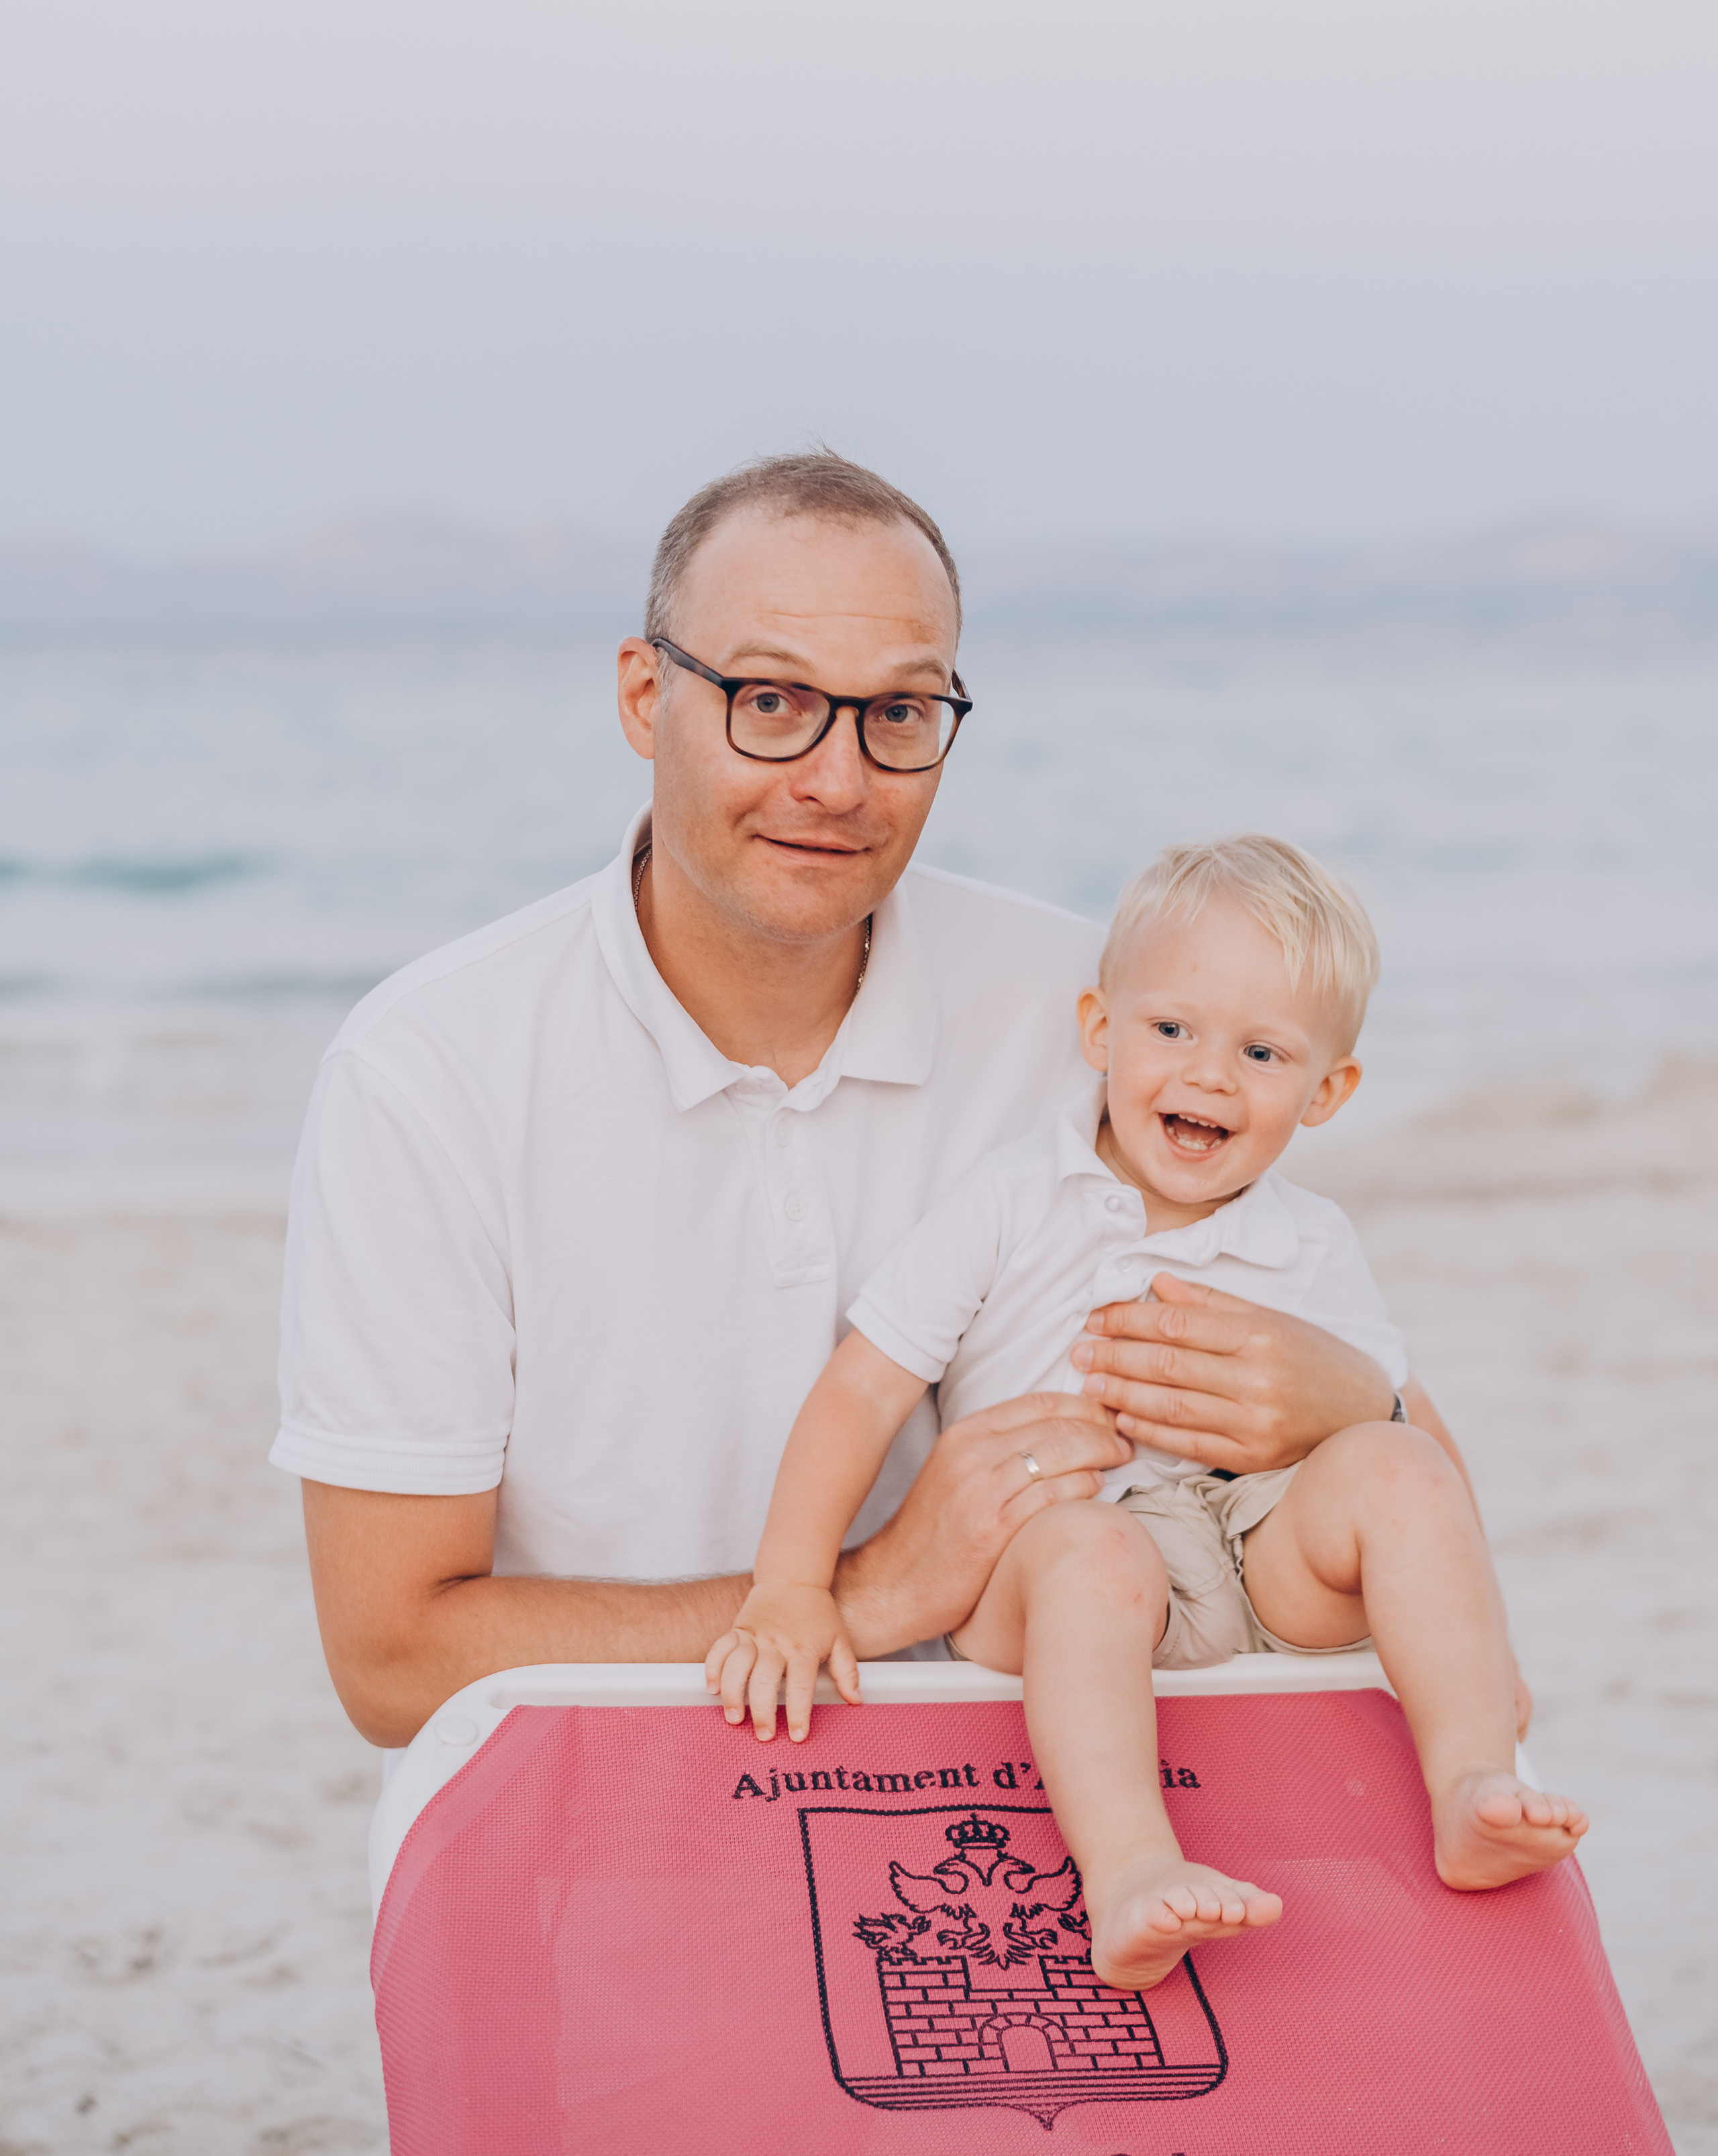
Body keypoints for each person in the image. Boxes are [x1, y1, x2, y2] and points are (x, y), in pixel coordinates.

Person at [274, 453, 1424, 1752]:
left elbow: (1390, 1443)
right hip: (592, 1779)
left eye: (898, 712)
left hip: (1031, 1767)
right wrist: (867, 1589)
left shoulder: (1091, 1013)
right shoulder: (429, 1069)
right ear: (645, 696)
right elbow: (388, 1658)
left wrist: (1358, 1403)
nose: (835, 778)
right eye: (769, 700)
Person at [707, 836, 1586, 1991]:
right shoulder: (1016, 1197)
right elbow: (865, 1384)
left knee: (1393, 1457)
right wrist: (790, 1585)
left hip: (1255, 1557)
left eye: (1262, 1051)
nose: (1210, 1074)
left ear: (1328, 1091)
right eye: (1173, 1030)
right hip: (1055, 1566)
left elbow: (1412, 1426)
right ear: (1101, 1033)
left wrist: (1493, 1640)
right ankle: (1129, 1871)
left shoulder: (1311, 1239)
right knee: (1093, 1549)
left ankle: (1471, 1778)